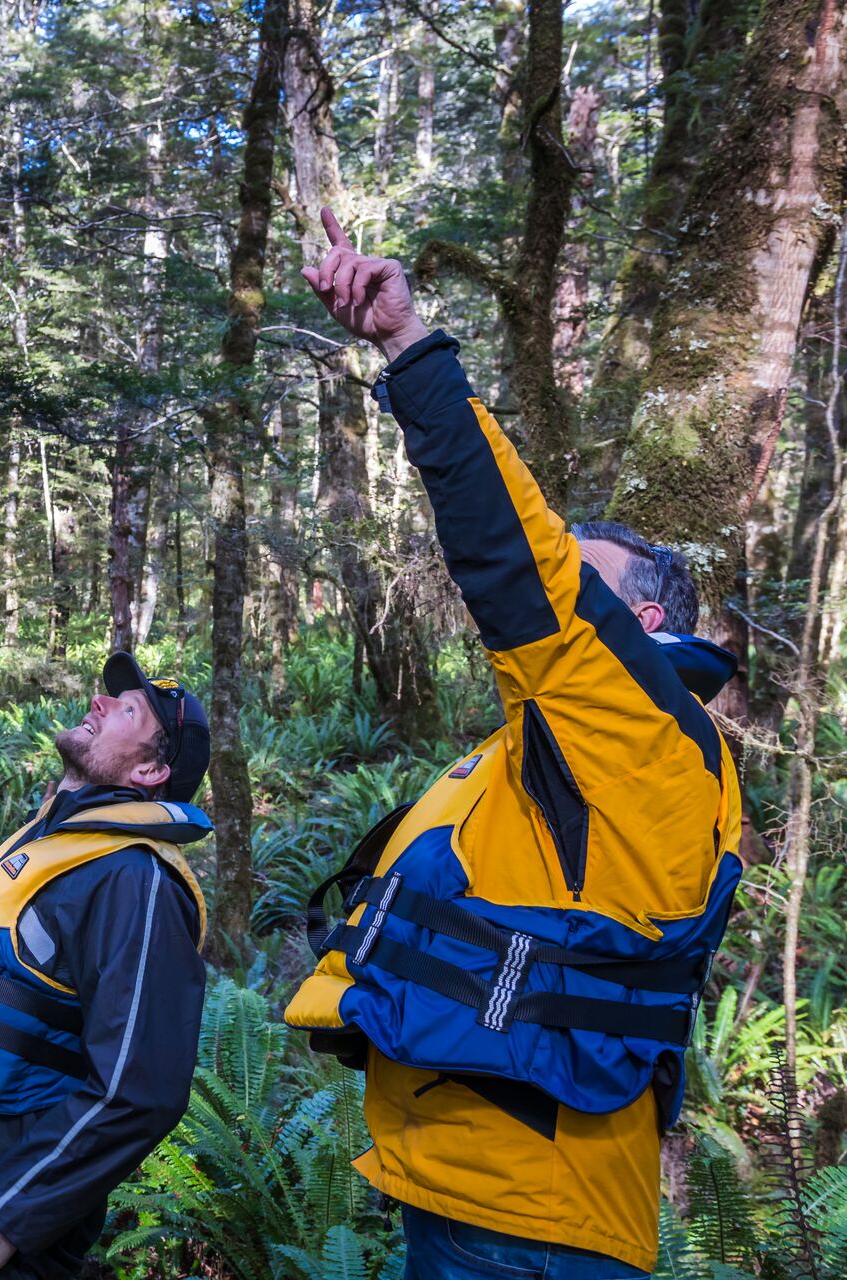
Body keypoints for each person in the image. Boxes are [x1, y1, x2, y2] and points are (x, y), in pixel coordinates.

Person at [283, 207, 743, 1279]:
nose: (568, 599)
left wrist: (408, 351)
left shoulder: (644, 733)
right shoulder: (563, 751)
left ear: (650, 631)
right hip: (480, 1197)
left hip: (530, 1225)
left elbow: (514, 554)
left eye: (596, 592)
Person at [0, 654, 215, 1280]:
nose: (101, 702)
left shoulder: (135, 882)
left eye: (128, 709)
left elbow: (139, 1089)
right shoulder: (50, 846)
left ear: (151, 769)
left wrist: (9, 1214)